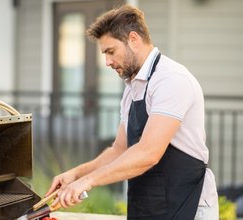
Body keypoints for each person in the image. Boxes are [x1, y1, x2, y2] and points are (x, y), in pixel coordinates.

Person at [45, 4, 218, 219]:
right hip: (149, 207)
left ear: (133, 39)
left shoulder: (171, 80)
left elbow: (148, 153)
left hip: (186, 205)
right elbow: (119, 150)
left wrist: (87, 182)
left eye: (111, 51)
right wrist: (76, 174)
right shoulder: (132, 87)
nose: (107, 61)